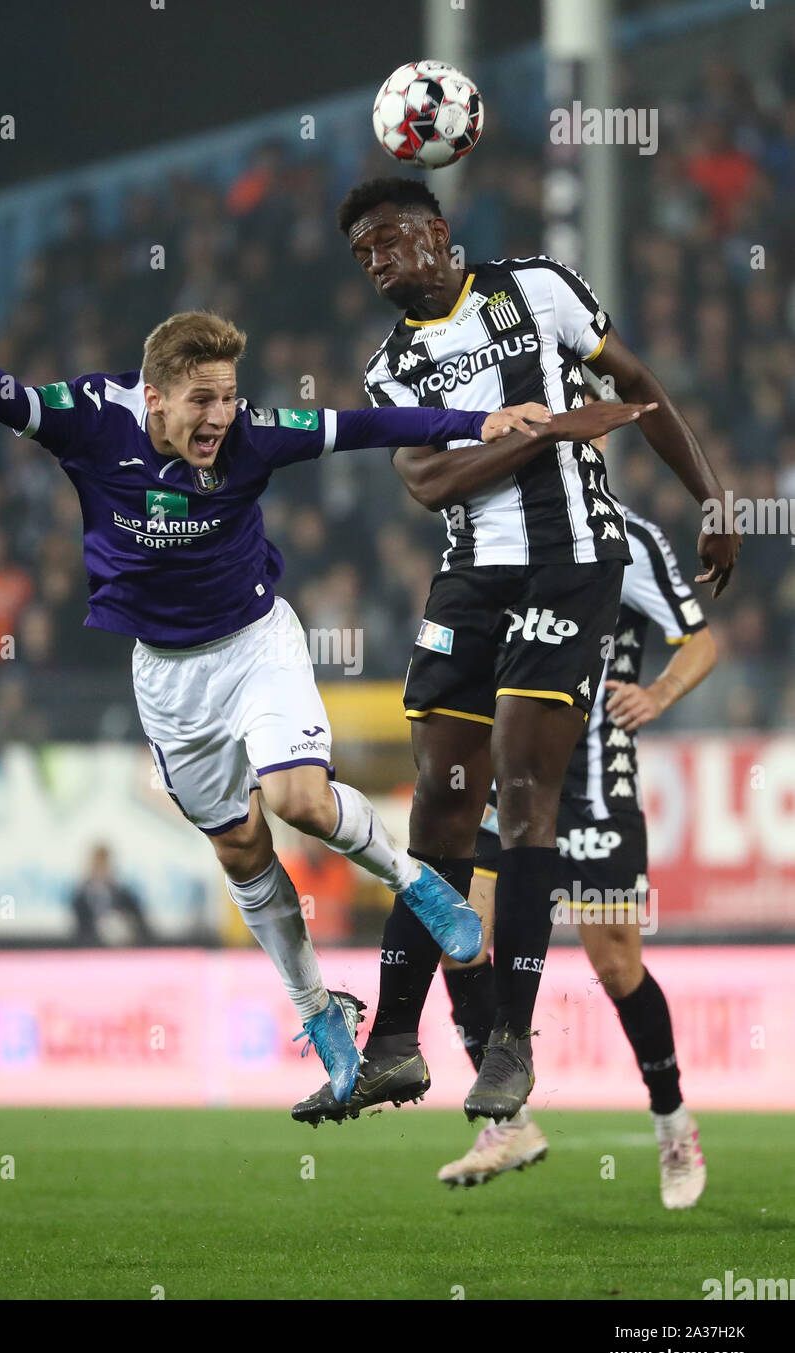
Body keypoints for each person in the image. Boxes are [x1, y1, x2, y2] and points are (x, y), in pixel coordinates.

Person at [0, 249, 556, 1105]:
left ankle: (420, 887)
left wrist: (474, 423)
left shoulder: (253, 437)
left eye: (229, 397)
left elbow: (361, 427)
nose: (221, 417)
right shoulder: (90, 418)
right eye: (203, 401)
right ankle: (320, 1012)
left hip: (257, 645)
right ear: (154, 397)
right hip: (166, 676)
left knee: (301, 800)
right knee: (241, 849)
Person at [293, 176, 737, 1126]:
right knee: (440, 819)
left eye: (385, 242)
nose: (373, 264)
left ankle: (508, 1047)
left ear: (436, 234)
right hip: (469, 580)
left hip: (569, 567)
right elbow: (429, 482)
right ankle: (395, 1049)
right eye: (360, 255)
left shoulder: (537, 287)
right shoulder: (391, 370)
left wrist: (710, 495)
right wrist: (549, 432)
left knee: (525, 795)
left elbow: (638, 387)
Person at [437, 439, 715, 1208]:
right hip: (513, 782)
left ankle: (672, 1125)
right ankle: (510, 1122)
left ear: (593, 447)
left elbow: (700, 640)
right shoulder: (495, 535)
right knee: (457, 938)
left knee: (615, 966)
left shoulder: (627, 538)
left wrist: (657, 694)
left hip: (592, 788)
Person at [72, 844, 154, 946]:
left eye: (103, 864)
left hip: (122, 947)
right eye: (97, 864)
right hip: (91, 948)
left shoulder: (123, 894)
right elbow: (79, 927)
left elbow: (141, 921)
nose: (100, 868)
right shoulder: (81, 896)